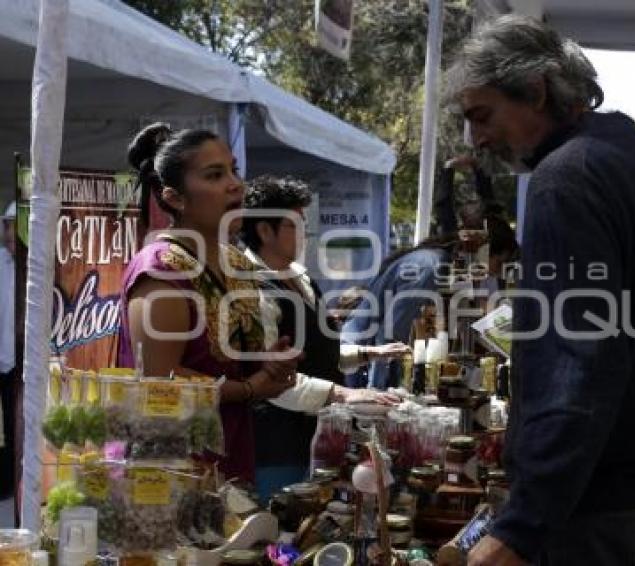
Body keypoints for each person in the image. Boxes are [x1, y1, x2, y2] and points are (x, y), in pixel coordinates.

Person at [445, 15, 635, 565]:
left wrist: (522, 525)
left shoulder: (565, 179)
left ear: (536, 90)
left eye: (483, 115)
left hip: (596, 515)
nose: (479, 139)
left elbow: (579, 365)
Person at [118, 123, 300, 483]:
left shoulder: (234, 262)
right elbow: (160, 379)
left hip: (230, 460)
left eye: (235, 170)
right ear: (174, 198)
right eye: (215, 175)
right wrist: (250, 389)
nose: (235, 184)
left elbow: (222, 360)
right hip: (167, 472)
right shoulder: (161, 270)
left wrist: (267, 364)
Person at [239, 174, 402, 497]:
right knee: (281, 529)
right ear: (264, 231)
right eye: (295, 225)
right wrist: (345, 394)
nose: (305, 235)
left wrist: (369, 354)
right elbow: (269, 378)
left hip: (316, 433)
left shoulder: (299, 277)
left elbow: (316, 348)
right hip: (277, 442)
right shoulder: (252, 289)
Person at [341, 213, 517, 390]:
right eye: (499, 262)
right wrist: (379, 392)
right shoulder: (429, 269)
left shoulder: (449, 272)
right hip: (361, 367)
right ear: (482, 251)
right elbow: (392, 340)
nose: (495, 273)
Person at [0, 202, 14, 498]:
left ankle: (14, 483)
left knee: (17, 427)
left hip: (22, 362)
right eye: (8, 226)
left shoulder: (38, 263)